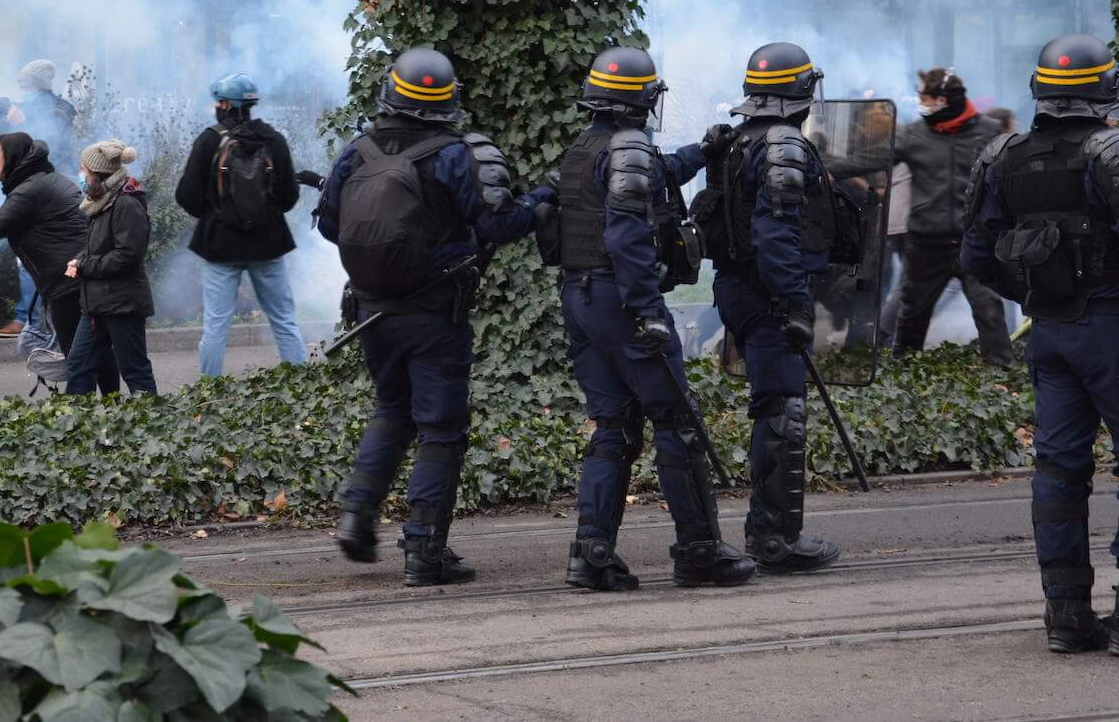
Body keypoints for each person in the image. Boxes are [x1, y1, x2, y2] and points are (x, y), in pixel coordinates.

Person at [961, 33, 1119, 658]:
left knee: (1059, 470)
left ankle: (1068, 617)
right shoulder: (1115, 148)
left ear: (1040, 89)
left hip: (1050, 334)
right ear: (1106, 88)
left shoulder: (1001, 155)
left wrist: (1035, 290)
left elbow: (974, 255)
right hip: (1116, 333)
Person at [316, 47, 544, 587]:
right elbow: (499, 226)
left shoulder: (358, 152)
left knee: (392, 410)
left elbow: (329, 225)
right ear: (448, 100)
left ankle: (357, 517)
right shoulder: (457, 154)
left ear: (390, 92)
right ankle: (424, 551)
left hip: (371, 310)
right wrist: (541, 202)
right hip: (435, 314)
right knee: (441, 429)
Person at [550, 45, 754, 592]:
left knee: (613, 426)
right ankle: (700, 551)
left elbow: (655, 174)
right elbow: (625, 236)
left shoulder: (582, 149)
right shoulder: (630, 145)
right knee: (677, 424)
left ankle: (591, 555)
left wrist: (701, 151)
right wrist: (647, 311)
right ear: (641, 99)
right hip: (624, 303)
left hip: (581, 299)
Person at [698, 41, 846, 576]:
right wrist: (794, 302)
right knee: (783, 410)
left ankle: (771, 532)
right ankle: (776, 539)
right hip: (766, 292)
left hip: (738, 289)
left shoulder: (736, 139)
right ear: (802, 91)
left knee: (773, 406)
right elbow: (775, 234)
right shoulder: (783, 143)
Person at [836, 67, 1012, 367]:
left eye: (928, 99)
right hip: (926, 244)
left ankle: (1002, 371)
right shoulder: (914, 134)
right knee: (912, 315)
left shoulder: (989, 131)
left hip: (973, 240)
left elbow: (1010, 175)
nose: (923, 105)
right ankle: (904, 371)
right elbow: (868, 159)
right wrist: (826, 163)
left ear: (946, 100)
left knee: (989, 309)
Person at [0, 131, 119, 395]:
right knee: (96, 349)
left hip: (68, 284)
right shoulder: (44, 180)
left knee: (78, 355)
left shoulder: (30, 190)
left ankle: (82, 417)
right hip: (80, 277)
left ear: (11, 157)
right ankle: (113, 407)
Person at [175, 73, 307, 376]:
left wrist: (214, 214)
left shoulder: (210, 140)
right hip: (269, 245)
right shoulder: (274, 139)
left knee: (216, 326)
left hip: (221, 246)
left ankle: (209, 393)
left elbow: (187, 196)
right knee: (284, 321)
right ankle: (302, 388)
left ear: (225, 104)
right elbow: (289, 196)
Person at [0, 59, 79, 339]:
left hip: (50, 191)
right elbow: (13, 147)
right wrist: (5, 119)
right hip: (37, 189)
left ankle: (29, 322)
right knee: (31, 255)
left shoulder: (58, 109)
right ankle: (35, 320)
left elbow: (51, 142)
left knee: (33, 253)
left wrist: (23, 120)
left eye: (26, 86)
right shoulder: (29, 108)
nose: (23, 92)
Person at [60, 140, 157, 397]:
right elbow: (99, 247)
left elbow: (127, 255)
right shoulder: (101, 202)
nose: (81, 175)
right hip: (96, 306)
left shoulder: (126, 204)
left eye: (84, 170)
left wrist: (85, 265)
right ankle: (75, 429)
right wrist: (80, 259)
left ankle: (156, 428)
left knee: (134, 371)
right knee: (78, 366)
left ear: (100, 174)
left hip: (122, 305)